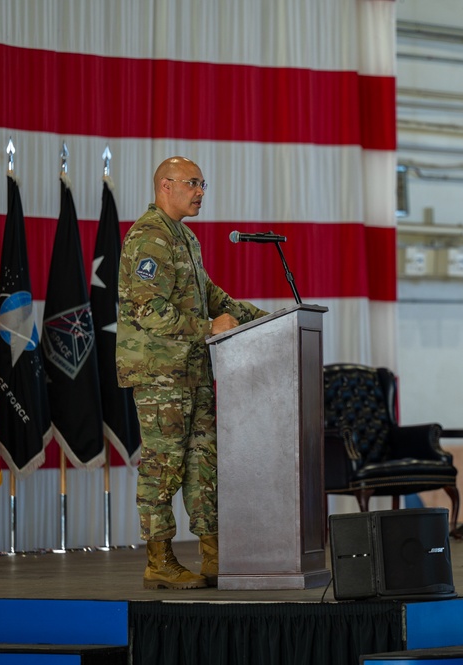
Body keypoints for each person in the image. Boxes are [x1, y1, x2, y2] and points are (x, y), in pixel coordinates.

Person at [117, 156, 269, 589]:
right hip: (160, 375)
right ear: (165, 186)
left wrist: (262, 317)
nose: (201, 191)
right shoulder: (150, 238)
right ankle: (159, 561)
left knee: (203, 464)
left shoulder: (185, 237)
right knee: (163, 466)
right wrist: (208, 328)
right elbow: (150, 312)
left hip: (194, 372)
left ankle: (215, 556)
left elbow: (208, 295)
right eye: (193, 183)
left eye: (204, 183)